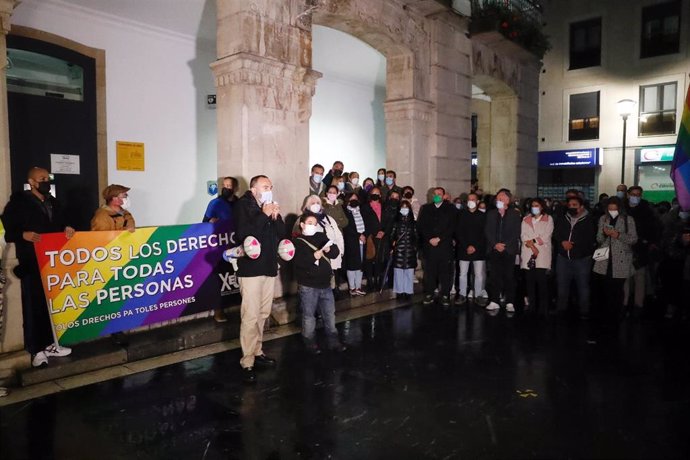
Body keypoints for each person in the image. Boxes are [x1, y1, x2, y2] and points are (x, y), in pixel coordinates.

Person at [2, 167, 75, 367]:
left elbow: (63, 223)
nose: (46, 181)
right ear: (32, 182)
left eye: (48, 178)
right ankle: (36, 350)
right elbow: (7, 231)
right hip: (31, 262)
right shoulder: (18, 204)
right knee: (34, 306)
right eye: (42, 178)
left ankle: (52, 344)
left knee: (52, 305)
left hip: (53, 262)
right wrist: (22, 235)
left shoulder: (54, 202)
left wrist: (67, 227)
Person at [233, 175, 285, 384]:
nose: (269, 190)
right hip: (251, 269)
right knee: (250, 315)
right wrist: (263, 215)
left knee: (263, 313)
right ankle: (247, 361)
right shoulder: (242, 206)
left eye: (271, 187)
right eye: (265, 187)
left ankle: (257, 350)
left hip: (269, 267)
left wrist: (275, 216)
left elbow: (281, 234)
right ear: (254, 189)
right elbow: (244, 233)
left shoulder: (269, 206)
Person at [292, 213, 346, 354]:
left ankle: (334, 342)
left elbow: (335, 252)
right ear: (302, 225)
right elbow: (297, 263)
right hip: (308, 286)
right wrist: (312, 257)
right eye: (309, 222)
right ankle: (310, 343)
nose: (312, 225)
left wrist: (329, 249)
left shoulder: (321, 237)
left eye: (314, 223)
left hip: (325, 284)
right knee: (309, 316)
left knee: (329, 315)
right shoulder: (297, 242)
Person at [592, 197, 638, 324]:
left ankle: (618, 314)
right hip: (605, 260)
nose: (612, 211)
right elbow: (599, 239)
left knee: (618, 290)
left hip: (621, 259)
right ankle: (606, 315)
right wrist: (605, 234)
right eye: (610, 209)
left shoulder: (628, 220)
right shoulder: (603, 219)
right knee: (605, 289)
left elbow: (633, 239)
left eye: (615, 209)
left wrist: (618, 235)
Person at [293, 195, 345, 297]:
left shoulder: (328, 219)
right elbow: (296, 239)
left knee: (331, 287)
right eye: (312, 203)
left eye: (318, 203)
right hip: (311, 265)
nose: (315, 205)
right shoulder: (301, 221)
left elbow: (338, 235)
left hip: (329, 257)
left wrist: (340, 250)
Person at [553, 195, 596, 318]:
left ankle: (584, 311)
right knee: (562, 285)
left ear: (581, 207)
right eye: (570, 205)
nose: (571, 207)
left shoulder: (588, 220)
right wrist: (562, 242)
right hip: (563, 257)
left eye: (574, 205)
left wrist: (574, 245)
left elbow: (590, 239)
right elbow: (556, 233)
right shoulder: (563, 218)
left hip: (582, 259)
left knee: (583, 286)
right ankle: (561, 309)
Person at [201, 177, 237, 322]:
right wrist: (211, 222)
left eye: (229, 185)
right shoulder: (215, 203)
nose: (226, 188)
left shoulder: (240, 203)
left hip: (237, 245)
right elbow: (204, 222)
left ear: (235, 188)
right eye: (224, 185)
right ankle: (218, 311)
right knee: (220, 277)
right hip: (220, 247)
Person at [417, 186, 456, 306]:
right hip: (430, 246)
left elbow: (452, 226)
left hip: (444, 246)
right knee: (429, 272)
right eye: (435, 194)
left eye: (439, 193)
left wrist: (440, 238)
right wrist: (429, 238)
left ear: (444, 196)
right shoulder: (426, 208)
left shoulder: (450, 208)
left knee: (445, 272)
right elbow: (421, 226)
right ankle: (429, 293)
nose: (437, 195)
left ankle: (445, 294)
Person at [484, 189, 522, 312]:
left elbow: (516, 232)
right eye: (497, 197)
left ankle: (510, 301)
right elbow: (487, 231)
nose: (499, 199)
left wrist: (504, 244)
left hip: (508, 250)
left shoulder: (514, 214)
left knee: (509, 276)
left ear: (508, 200)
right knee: (495, 276)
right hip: (494, 249)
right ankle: (494, 300)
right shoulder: (491, 214)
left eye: (502, 197)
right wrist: (495, 244)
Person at [624, 185, 659, 315]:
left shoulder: (647, 211)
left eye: (638, 195)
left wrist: (648, 242)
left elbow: (653, 229)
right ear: (628, 195)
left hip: (641, 249)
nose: (635, 197)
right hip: (624, 248)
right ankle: (625, 305)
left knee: (640, 279)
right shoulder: (623, 209)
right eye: (633, 194)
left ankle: (638, 306)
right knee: (625, 280)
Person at [520, 198, 554, 316]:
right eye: (533, 205)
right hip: (528, 253)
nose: (534, 207)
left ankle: (543, 308)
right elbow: (523, 235)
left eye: (537, 205)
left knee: (542, 282)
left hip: (542, 254)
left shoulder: (548, 219)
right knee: (529, 282)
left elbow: (546, 235)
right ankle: (532, 306)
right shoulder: (525, 219)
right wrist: (531, 244)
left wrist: (532, 241)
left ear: (542, 207)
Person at [454, 192, 487, 306]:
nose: (471, 201)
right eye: (469, 199)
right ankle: (462, 294)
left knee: (478, 274)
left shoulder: (483, 216)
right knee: (463, 273)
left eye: (473, 199)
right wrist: (466, 245)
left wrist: (475, 246)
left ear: (477, 202)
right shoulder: (461, 214)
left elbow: (484, 234)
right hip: (464, 249)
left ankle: (478, 295)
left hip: (479, 249)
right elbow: (458, 232)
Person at [659, 207, 690, 319]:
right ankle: (673, 306)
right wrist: (680, 240)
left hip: (683, 261)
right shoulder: (670, 221)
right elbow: (666, 243)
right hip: (674, 261)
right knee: (674, 284)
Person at [342, 192, 371, 295]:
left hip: (362, 241)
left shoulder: (362, 211)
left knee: (360, 265)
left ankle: (358, 287)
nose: (354, 200)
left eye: (355, 198)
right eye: (351, 199)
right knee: (352, 265)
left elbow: (367, 223)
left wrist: (364, 235)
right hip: (351, 241)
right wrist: (358, 235)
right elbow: (347, 227)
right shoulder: (345, 212)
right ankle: (352, 288)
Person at [390, 200, 417, 299]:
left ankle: (408, 291)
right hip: (399, 250)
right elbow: (391, 236)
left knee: (409, 272)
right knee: (398, 271)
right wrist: (393, 245)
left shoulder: (413, 223)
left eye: (406, 207)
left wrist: (414, 248)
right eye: (402, 207)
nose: (404, 209)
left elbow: (416, 237)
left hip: (410, 250)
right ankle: (399, 291)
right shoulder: (396, 222)